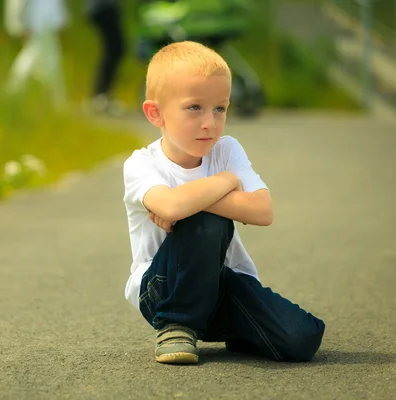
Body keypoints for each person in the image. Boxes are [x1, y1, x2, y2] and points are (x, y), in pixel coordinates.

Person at [122, 41, 325, 364]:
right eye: (194, 108)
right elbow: (174, 209)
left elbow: (263, 210)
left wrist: (195, 196)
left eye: (220, 108)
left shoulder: (227, 151)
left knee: (303, 338)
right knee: (206, 221)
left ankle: (234, 329)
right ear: (155, 113)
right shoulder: (141, 164)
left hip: (222, 283)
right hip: (162, 289)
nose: (210, 123)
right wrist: (225, 186)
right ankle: (178, 324)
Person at [4, 0, 68, 109]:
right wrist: (19, 24)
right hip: (36, 22)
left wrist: (61, 18)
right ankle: (12, 92)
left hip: (48, 22)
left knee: (49, 61)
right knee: (33, 58)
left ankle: (57, 102)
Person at [85, 0, 126, 115]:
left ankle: (102, 95)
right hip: (103, 6)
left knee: (113, 49)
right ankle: (100, 96)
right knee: (115, 48)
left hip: (103, 7)